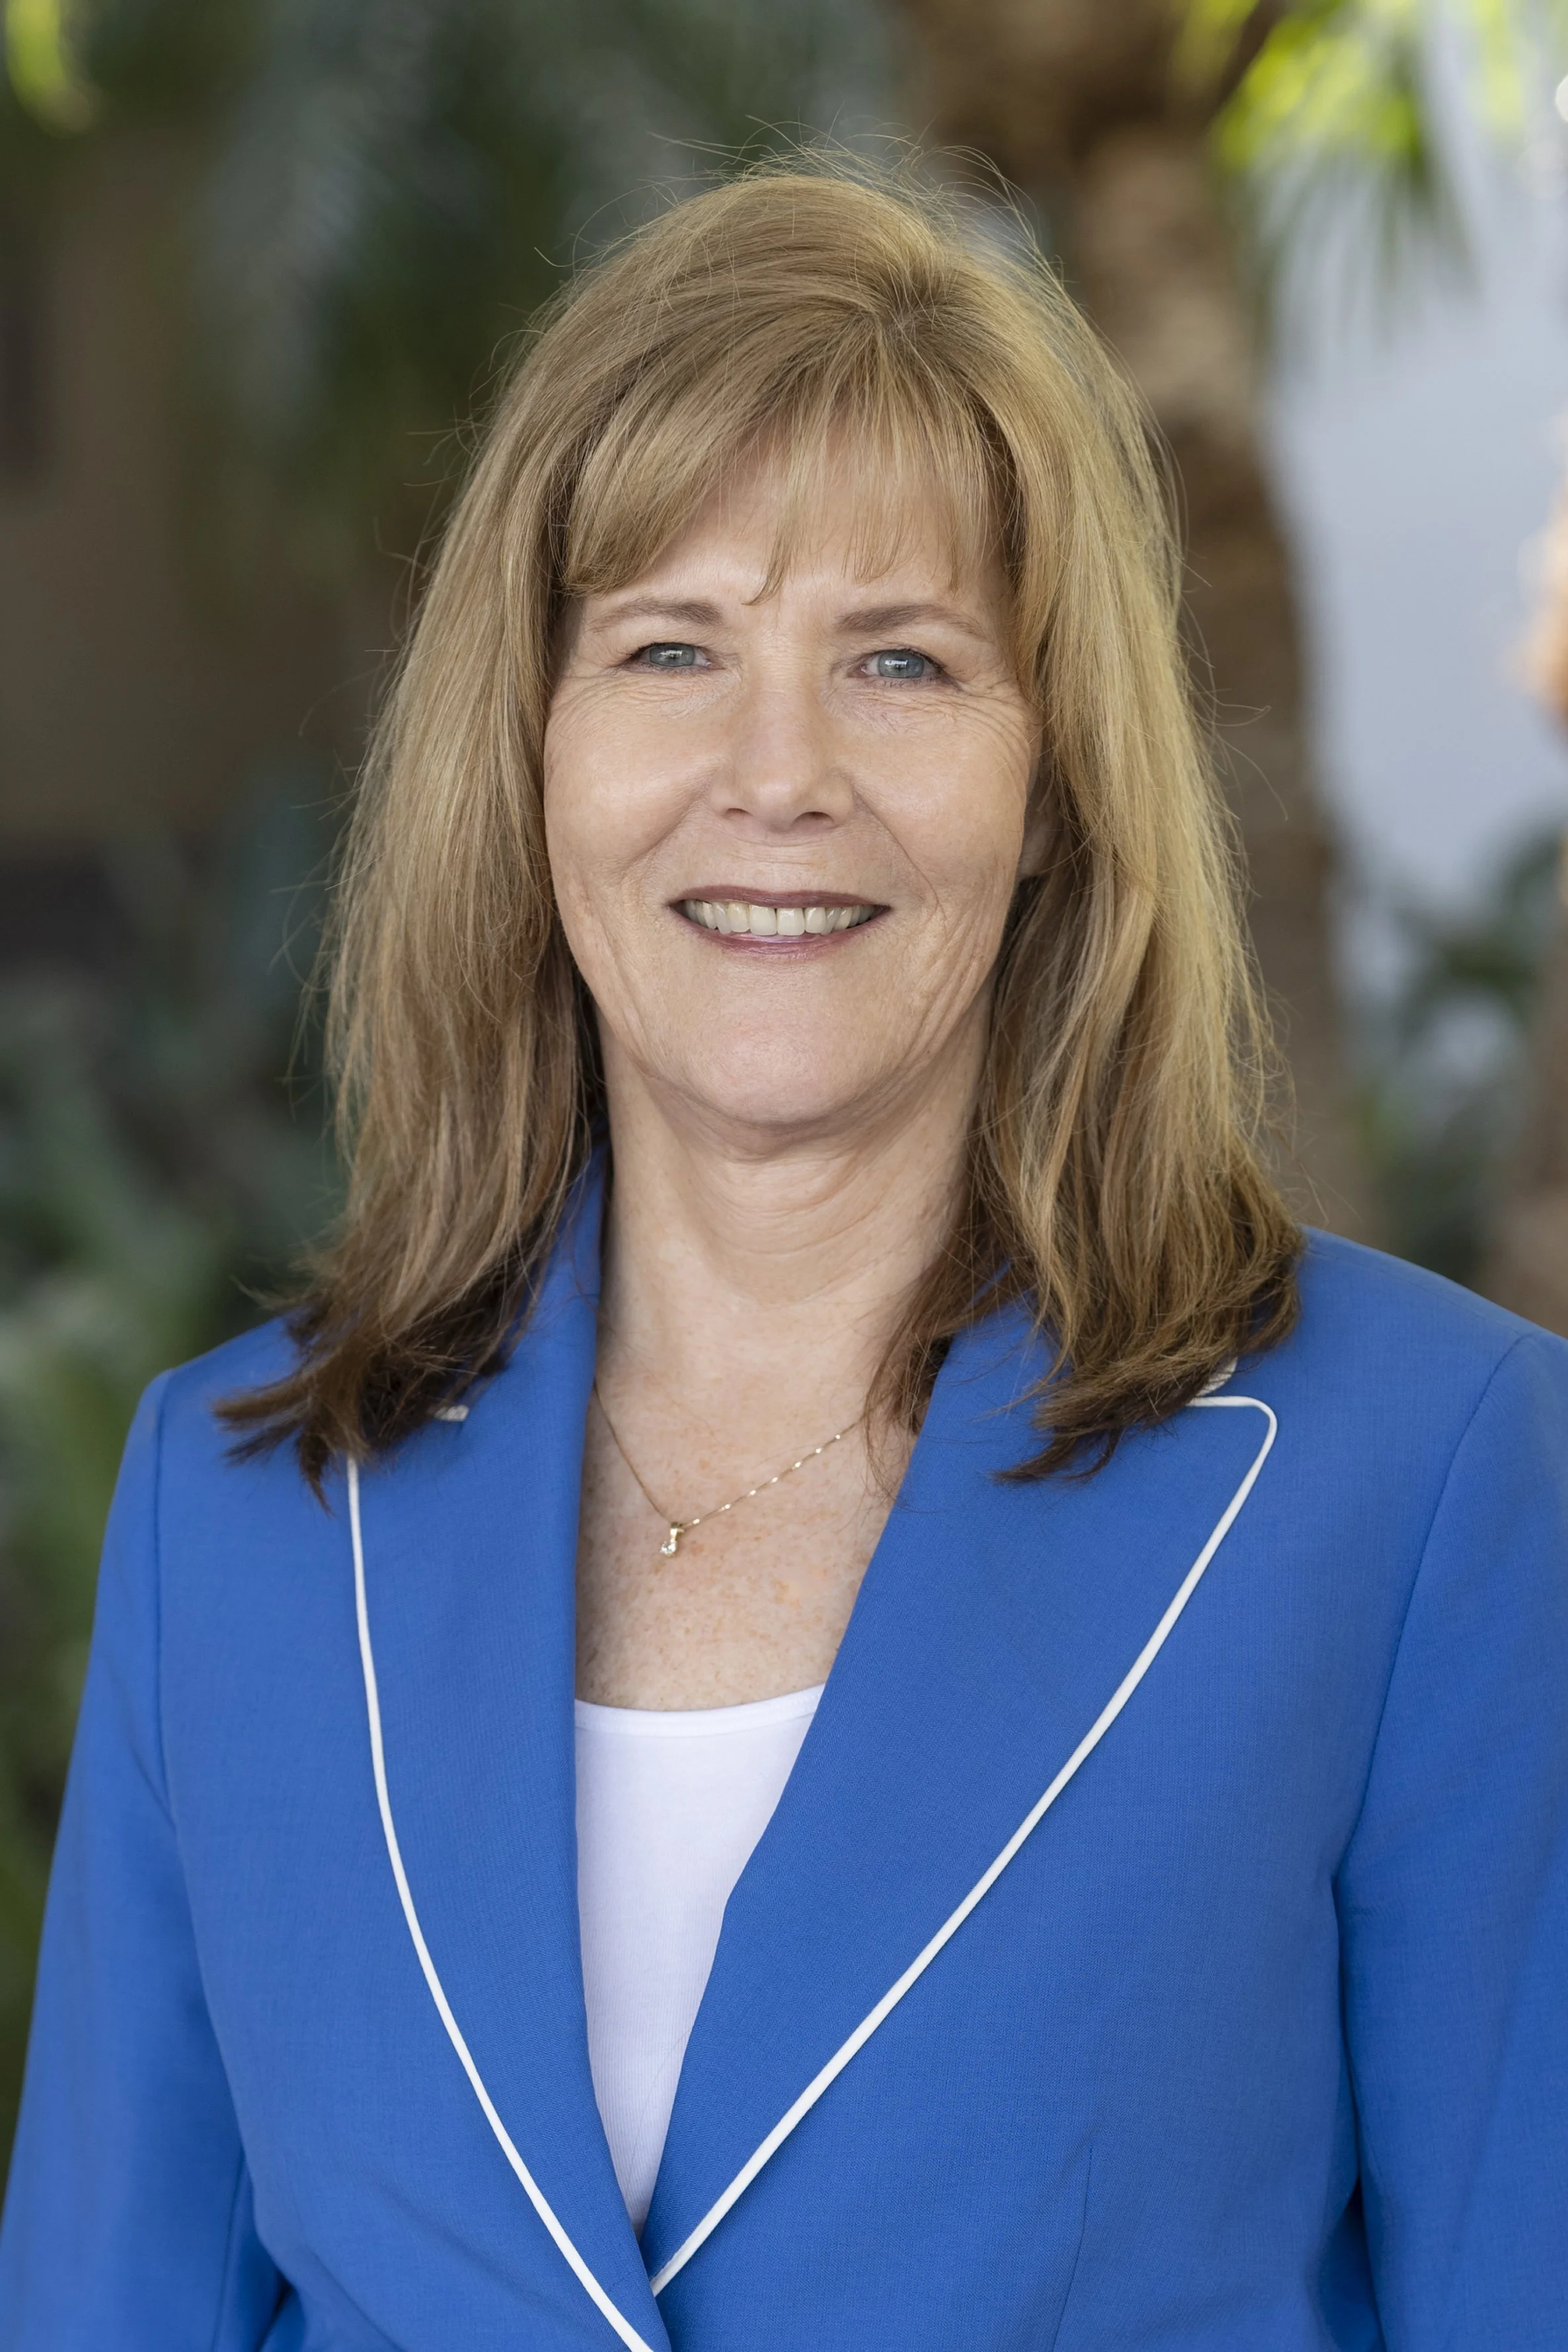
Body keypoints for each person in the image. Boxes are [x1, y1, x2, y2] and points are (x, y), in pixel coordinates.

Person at [1, 159, 1564, 2352]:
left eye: (901, 661)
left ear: (1055, 786)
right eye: (669, 647)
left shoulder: (1417, 1482)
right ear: (529, 754)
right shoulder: (239, 1519)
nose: (776, 773)